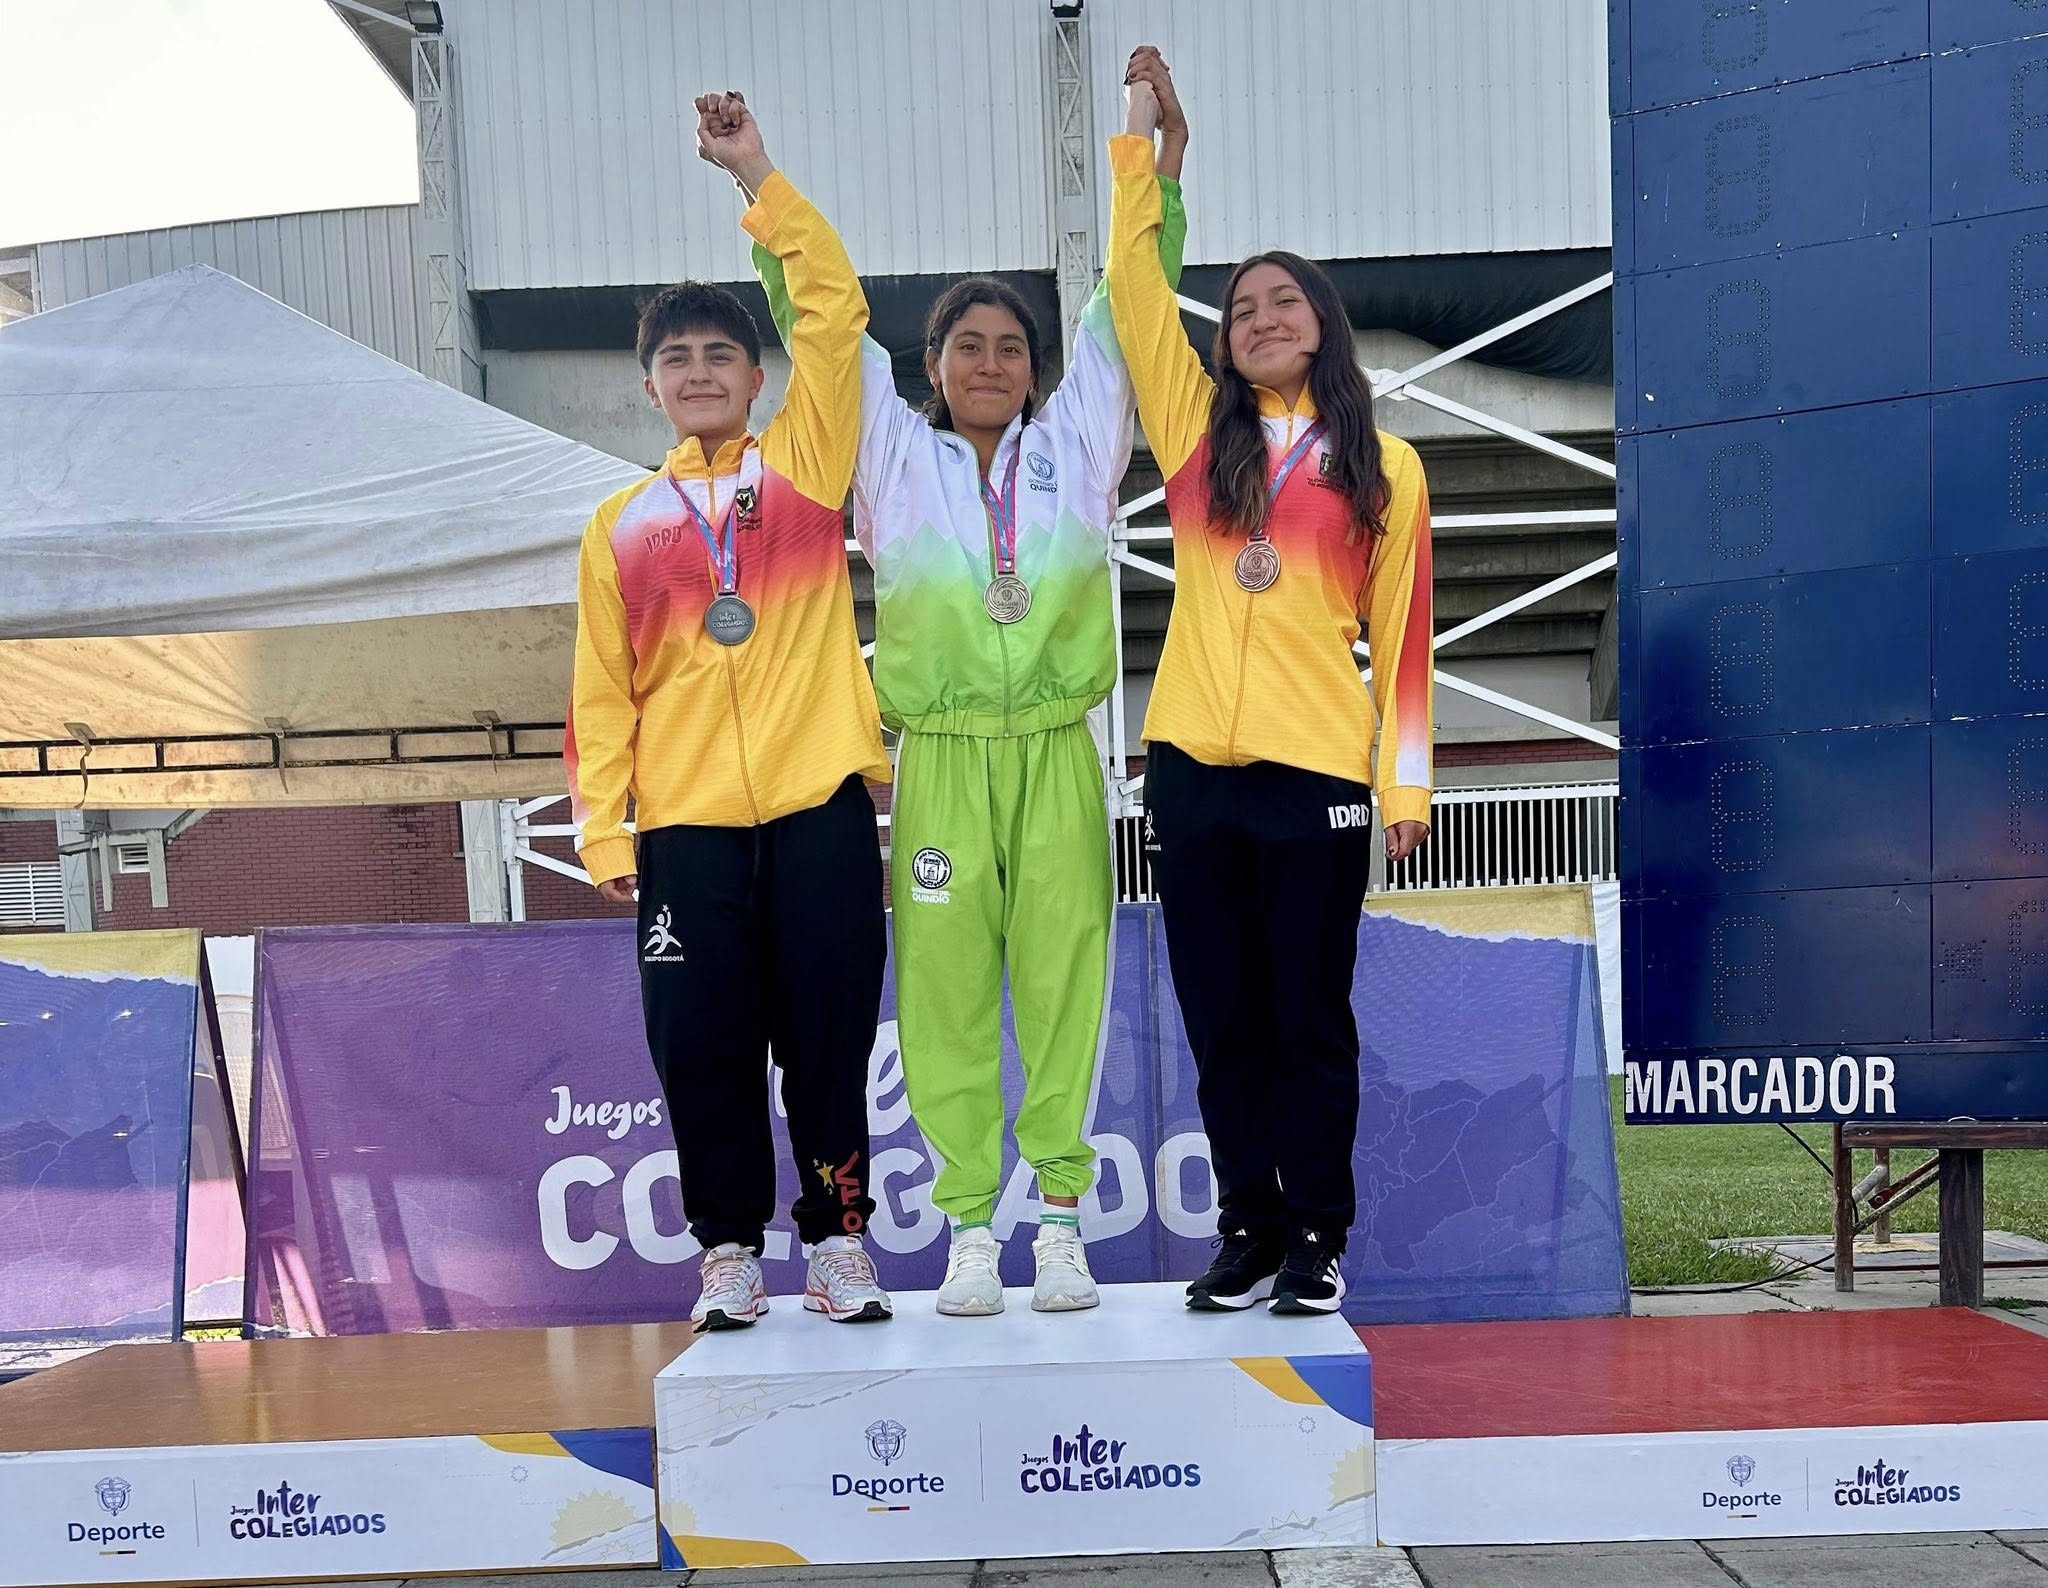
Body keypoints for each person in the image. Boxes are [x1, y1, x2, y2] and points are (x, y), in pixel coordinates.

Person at [744, 89, 1186, 1316]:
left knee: (1061, 978)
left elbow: (1128, 301)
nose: (990, 364)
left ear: (1037, 370)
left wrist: (1147, 164)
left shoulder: (1082, 441)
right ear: (932, 369)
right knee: (940, 990)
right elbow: (823, 323)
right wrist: (758, 179)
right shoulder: (885, 455)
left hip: (1056, 752)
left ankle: (1054, 1223)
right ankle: (964, 1231)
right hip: (937, 756)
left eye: (1010, 348)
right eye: (966, 348)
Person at [1109, 48, 1436, 1316]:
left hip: (1315, 774)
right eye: (1240, 307)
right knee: (1222, 1018)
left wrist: (1400, 786)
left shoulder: (1384, 468)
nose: (1257, 318)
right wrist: (1150, 140)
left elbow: (1402, 637)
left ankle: (1316, 1233)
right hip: (1190, 765)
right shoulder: (1198, 447)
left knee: (1308, 1019)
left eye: (1281, 302)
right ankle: (1244, 1226)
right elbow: (1135, 289)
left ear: (1322, 323)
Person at [566, 93, 893, 1330]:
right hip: (686, 832)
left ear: (756, 379)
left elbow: (836, 310)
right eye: (675, 360)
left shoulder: (803, 474)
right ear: (648, 388)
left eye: (719, 356)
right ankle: (726, 1253)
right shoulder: (622, 527)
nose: (698, 374)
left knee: (824, 1043)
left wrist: (753, 175)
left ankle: (838, 1242)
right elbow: (600, 690)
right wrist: (609, 832)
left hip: (813, 809)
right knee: (700, 1051)